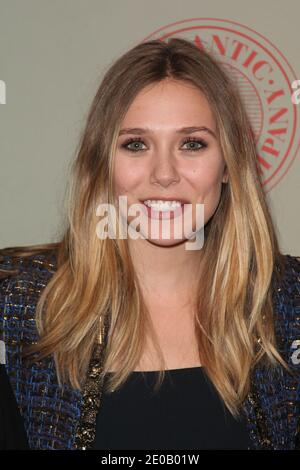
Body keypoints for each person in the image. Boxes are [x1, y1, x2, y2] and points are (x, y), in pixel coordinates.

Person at [0, 38, 299, 450]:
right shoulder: (16, 301)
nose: (163, 173)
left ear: (229, 164)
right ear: (101, 163)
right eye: (135, 144)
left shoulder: (289, 303)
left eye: (192, 143)